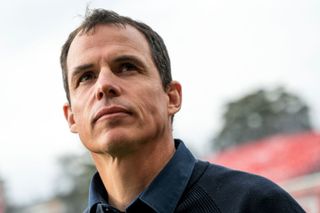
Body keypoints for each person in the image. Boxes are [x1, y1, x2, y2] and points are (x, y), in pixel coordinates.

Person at [60, 9, 305, 213]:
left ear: (172, 97)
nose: (104, 85)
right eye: (86, 77)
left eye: (126, 67)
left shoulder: (255, 204)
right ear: (72, 117)